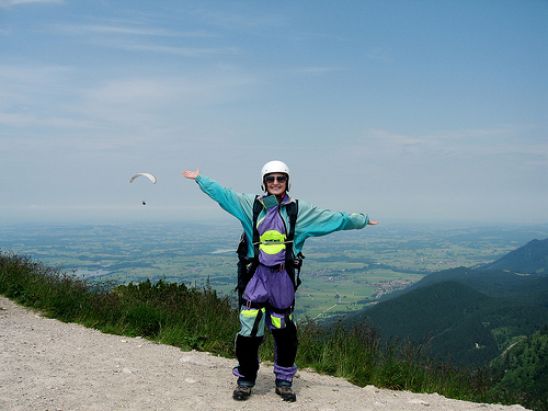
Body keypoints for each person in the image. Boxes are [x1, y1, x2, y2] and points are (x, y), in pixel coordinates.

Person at [183, 160, 378, 402]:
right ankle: (245, 380)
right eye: (270, 179)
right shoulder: (250, 206)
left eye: (280, 178)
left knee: (285, 331)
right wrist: (201, 180)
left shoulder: (299, 211)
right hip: (255, 277)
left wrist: (361, 220)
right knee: (249, 329)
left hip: (283, 279)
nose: (275, 183)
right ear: (263, 182)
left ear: (287, 181)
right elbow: (225, 196)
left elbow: (333, 219)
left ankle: (284, 381)